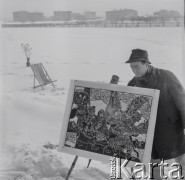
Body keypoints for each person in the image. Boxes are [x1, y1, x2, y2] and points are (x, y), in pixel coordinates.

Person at [126, 48, 185, 179]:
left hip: (172, 133)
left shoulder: (166, 76)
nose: (133, 70)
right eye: (131, 67)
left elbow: (182, 102)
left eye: (136, 66)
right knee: (156, 168)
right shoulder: (132, 84)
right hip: (150, 139)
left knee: (179, 166)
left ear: (146, 64)